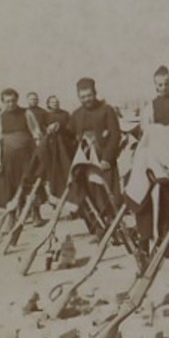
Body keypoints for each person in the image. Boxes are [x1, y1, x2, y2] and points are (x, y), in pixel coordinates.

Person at [69, 77, 124, 231]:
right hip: (85, 162)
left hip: (104, 160)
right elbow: (70, 136)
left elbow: (115, 135)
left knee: (109, 194)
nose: (87, 99)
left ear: (95, 93)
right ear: (78, 97)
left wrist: (107, 158)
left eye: (89, 95)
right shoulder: (76, 114)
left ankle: (115, 228)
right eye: (83, 97)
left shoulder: (107, 110)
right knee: (90, 195)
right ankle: (98, 229)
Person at [0, 88, 42, 209]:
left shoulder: (27, 113)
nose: (11, 104)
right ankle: (13, 215)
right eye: (7, 101)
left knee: (30, 183)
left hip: (26, 155)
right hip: (9, 156)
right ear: (3, 102)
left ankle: (36, 213)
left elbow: (36, 133)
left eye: (13, 101)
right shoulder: (0, 116)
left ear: (17, 100)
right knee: (10, 186)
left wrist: (38, 154)